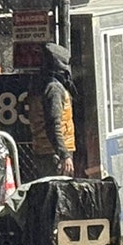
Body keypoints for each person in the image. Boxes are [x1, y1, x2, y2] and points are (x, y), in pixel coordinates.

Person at [26, 42, 77, 178]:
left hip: (44, 150)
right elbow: (53, 123)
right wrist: (64, 154)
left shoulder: (39, 85)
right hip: (54, 153)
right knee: (59, 194)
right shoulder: (54, 88)